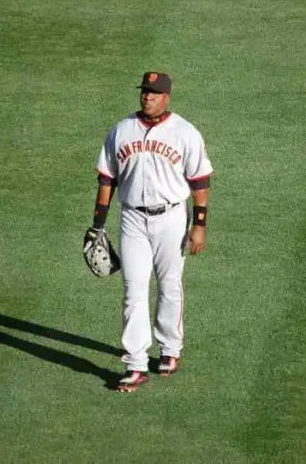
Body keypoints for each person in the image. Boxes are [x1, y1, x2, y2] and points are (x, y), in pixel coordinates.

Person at [87, 71, 214, 393]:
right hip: (131, 219)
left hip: (172, 218)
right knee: (134, 289)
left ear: (167, 97)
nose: (148, 97)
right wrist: (98, 224)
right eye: (145, 92)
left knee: (169, 284)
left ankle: (170, 349)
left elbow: (199, 182)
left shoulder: (185, 132)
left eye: (154, 93)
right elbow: (107, 179)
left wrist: (199, 225)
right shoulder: (121, 130)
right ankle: (135, 363)